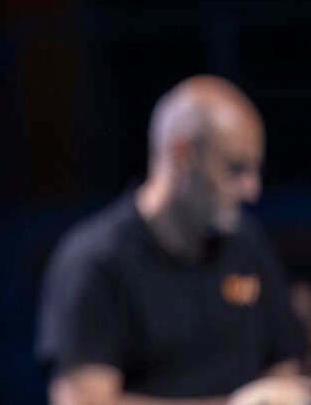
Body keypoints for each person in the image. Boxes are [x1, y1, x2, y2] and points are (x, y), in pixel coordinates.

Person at [35, 76, 310, 405]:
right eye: (235, 169)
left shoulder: (247, 246)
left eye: (254, 169)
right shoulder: (96, 261)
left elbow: (283, 377)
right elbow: (82, 402)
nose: (252, 189)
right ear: (182, 154)